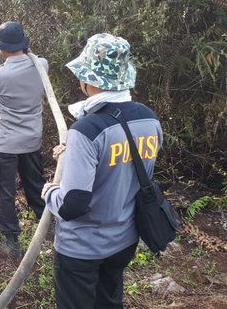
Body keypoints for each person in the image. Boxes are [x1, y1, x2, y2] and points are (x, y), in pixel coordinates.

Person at [42, 33, 163, 309]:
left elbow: (74, 204)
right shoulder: (149, 119)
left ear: (88, 80)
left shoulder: (86, 130)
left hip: (82, 250)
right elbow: (126, 167)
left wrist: (49, 192)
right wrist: (73, 154)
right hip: (123, 242)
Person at [0, 21, 48, 258]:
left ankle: (12, 243)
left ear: (1, 48)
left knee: (5, 190)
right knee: (35, 185)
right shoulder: (42, 65)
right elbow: (32, 56)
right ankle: (48, 227)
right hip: (32, 140)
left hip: (6, 144)